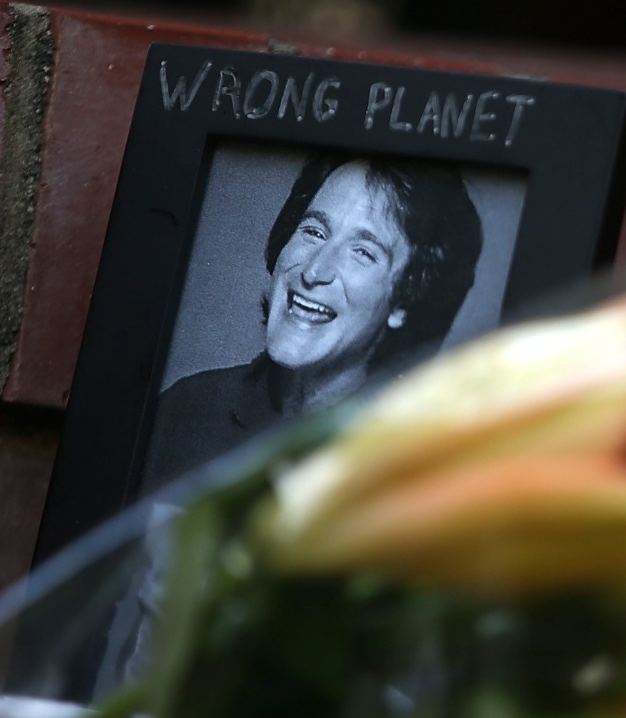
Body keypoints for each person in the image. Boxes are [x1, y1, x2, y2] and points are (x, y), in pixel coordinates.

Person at [141, 154, 483, 487]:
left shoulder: (427, 475)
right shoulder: (184, 411)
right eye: (315, 232)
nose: (314, 270)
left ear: (405, 302)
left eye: (363, 252)